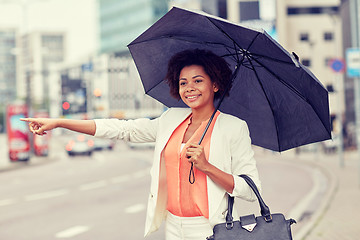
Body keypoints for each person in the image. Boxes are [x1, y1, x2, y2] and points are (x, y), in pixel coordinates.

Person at [21, 49, 261, 240]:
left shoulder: (233, 127)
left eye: (198, 81)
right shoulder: (171, 119)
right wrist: (60, 123)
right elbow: (123, 129)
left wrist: (207, 166)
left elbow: (251, 189)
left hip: (212, 228)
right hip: (174, 226)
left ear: (215, 84)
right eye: (183, 82)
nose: (189, 88)